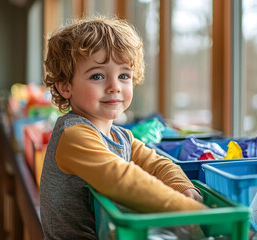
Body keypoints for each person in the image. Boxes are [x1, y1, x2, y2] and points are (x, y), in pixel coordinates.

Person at [40, 16, 206, 239]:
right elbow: (121, 180)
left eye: (124, 75)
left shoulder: (119, 136)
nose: (114, 87)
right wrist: (193, 212)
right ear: (65, 87)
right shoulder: (73, 134)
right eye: (98, 76)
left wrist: (184, 187)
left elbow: (156, 163)